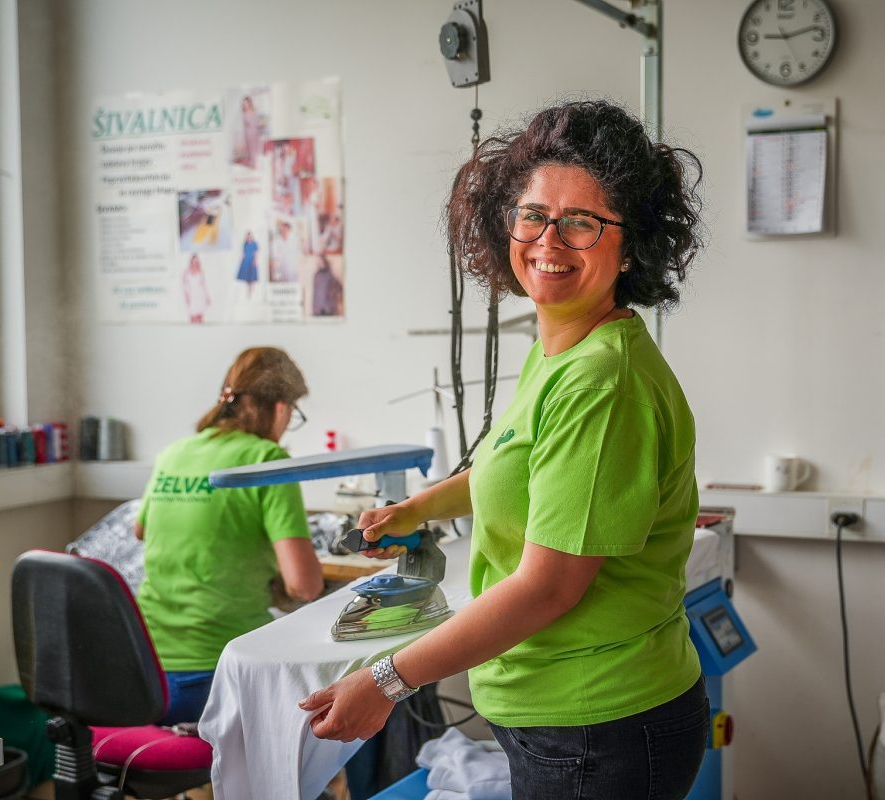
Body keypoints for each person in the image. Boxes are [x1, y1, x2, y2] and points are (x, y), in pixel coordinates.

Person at [301, 100, 708, 799]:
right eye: (534, 214)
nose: (549, 240)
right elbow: (517, 462)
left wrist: (389, 679)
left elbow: (547, 587)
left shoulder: (601, 381)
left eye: (582, 221)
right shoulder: (560, 351)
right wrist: (418, 508)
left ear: (630, 244)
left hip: (598, 724)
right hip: (561, 714)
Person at [136, 347, 324, 725]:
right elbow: (304, 585)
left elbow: (140, 529)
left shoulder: (175, 452)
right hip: (216, 674)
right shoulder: (268, 458)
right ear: (282, 407)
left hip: (145, 670)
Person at [182, 253, 210, 323]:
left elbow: (204, 285)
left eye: (196, 262)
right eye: (194, 261)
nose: (195, 263)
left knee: (200, 316)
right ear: (191, 262)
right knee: (192, 315)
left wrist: (207, 297)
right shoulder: (186, 272)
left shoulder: (201, 272)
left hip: (200, 295)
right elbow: (185, 285)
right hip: (192, 295)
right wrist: (187, 296)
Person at [236, 231, 259, 297]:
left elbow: (255, 253)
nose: (248, 237)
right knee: (247, 278)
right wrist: (241, 260)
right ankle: (248, 291)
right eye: (247, 236)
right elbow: (243, 253)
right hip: (246, 261)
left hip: (251, 261)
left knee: (252, 278)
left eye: (249, 236)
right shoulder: (245, 244)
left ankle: (251, 291)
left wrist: (255, 260)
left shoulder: (254, 244)